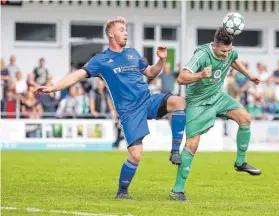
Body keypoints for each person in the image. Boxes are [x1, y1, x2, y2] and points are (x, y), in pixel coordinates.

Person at [35, 16, 186, 199]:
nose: (126, 33)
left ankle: (175, 151)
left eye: (126, 29)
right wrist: (53, 87)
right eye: (122, 29)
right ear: (110, 34)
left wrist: (161, 60)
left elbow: (152, 73)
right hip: (129, 111)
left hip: (147, 100)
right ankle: (122, 192)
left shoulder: (132, 54)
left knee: (179, 101)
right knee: (136, 155)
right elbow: (76, 76)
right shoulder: (101, 60)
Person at [170, 27, 261, 201]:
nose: (226, 54)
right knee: (192, 145)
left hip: (218, 97)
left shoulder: (229, 52)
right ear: (215, 46)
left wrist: (249, 75)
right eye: (223, 51)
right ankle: (177, 190)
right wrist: (200, 75)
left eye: (229, 50)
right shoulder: (202, 54)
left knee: (245, 118)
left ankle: (240, 162)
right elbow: (181, 78)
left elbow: (233, 60)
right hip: (197, 102)